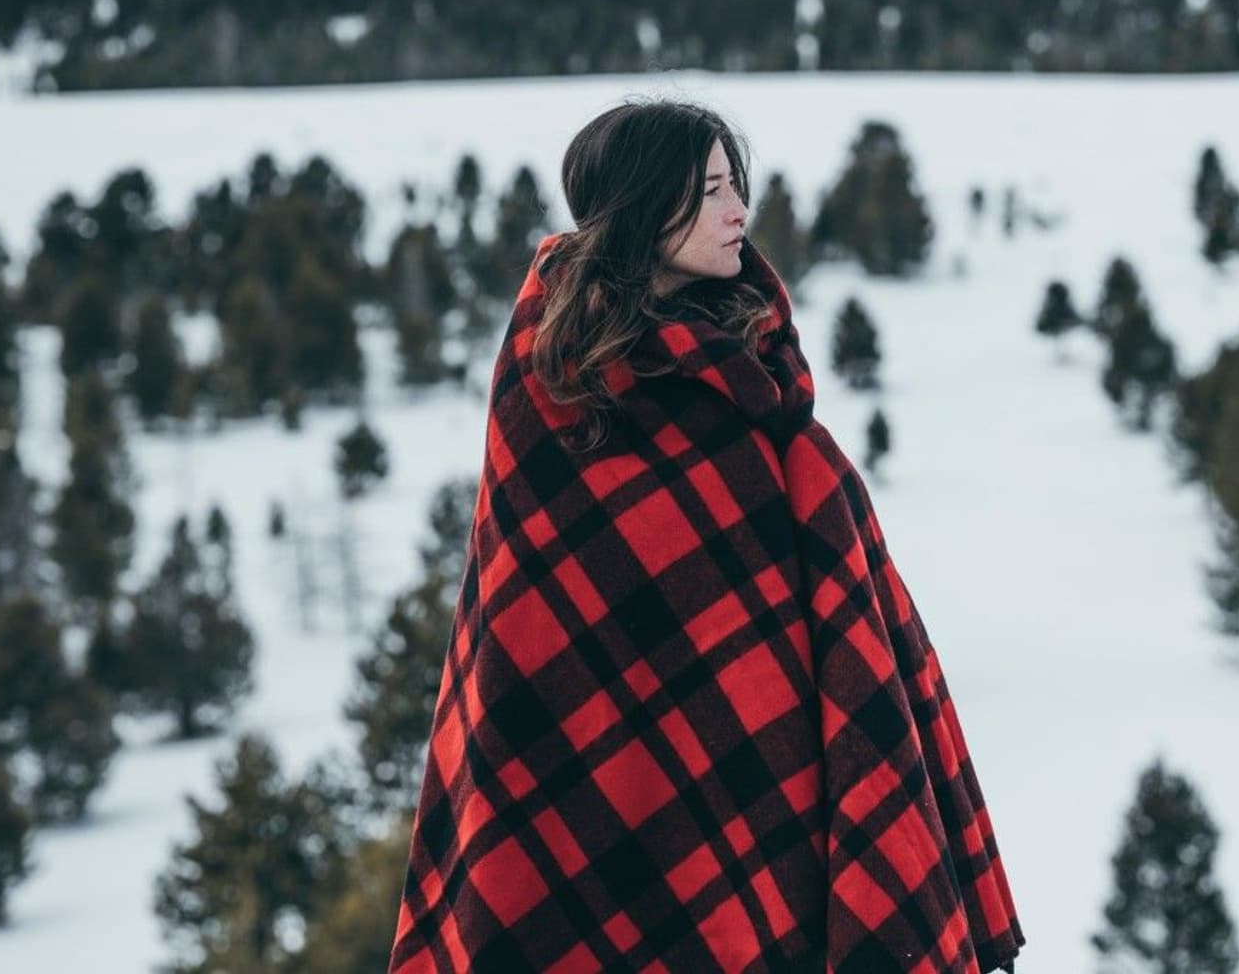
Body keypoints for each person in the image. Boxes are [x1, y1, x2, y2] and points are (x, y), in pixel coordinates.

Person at [388, 97, 1024, 974]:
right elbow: (527, 632)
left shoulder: (756, 366)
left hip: (771, 781)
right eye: (713, 191)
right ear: (648, 211)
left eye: (737, 186)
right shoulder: (553, 388)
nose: (739, 213)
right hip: (593, 796)